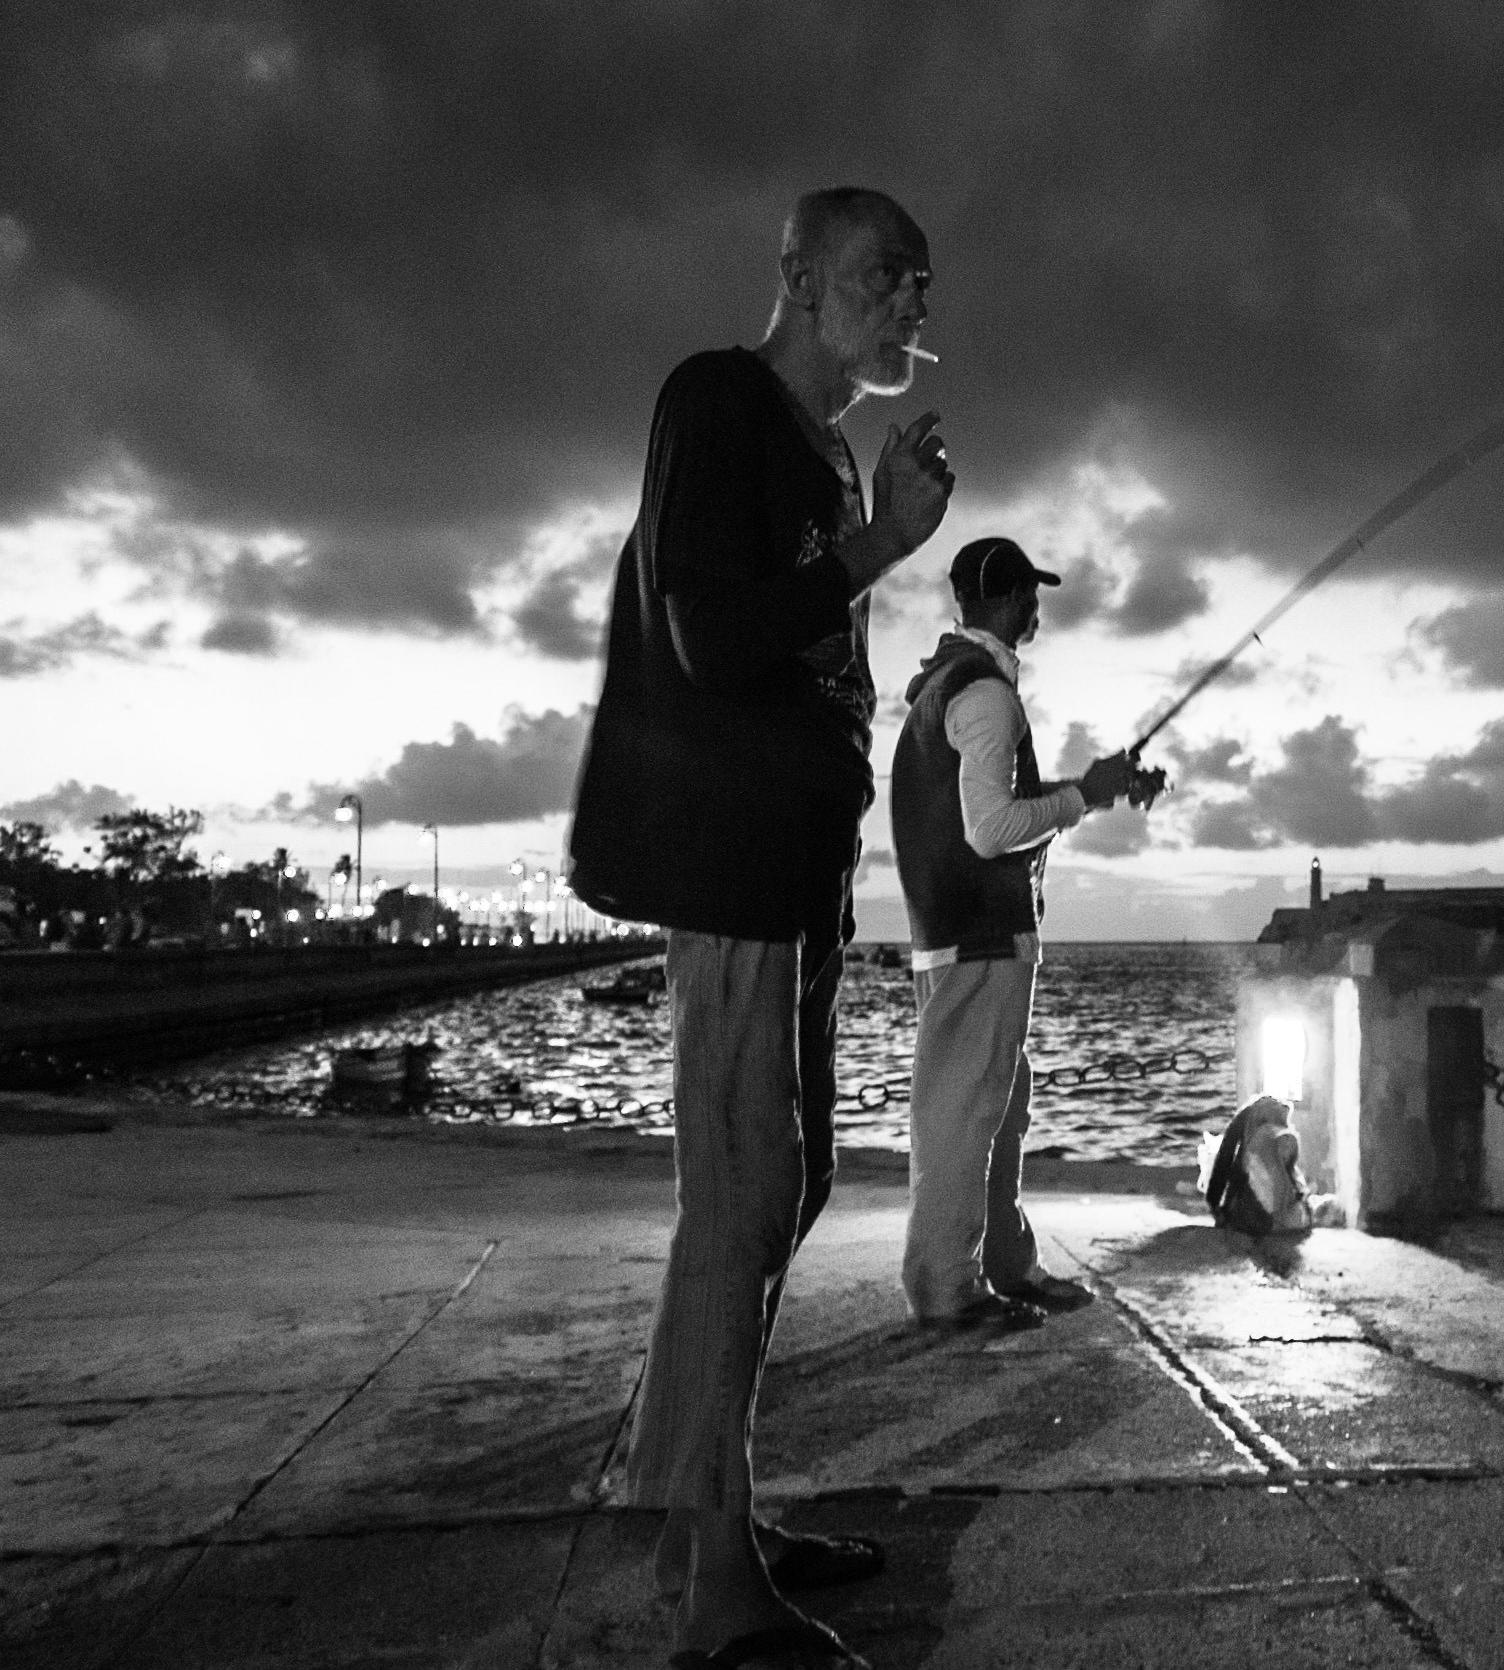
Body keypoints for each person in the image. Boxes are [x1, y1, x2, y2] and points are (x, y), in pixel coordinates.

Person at [566, 186, 948, 1670]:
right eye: (885, 273)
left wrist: (867, 528)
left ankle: (695, 1515)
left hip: (798, 869)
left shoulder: (828, 450)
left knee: (784, 1190)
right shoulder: (717, 400)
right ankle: (717, 1587)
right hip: (728, 863)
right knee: (743, 1195)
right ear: (797, 273)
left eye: (921, 284)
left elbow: (806, 658)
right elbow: (710, 633)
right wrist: (880, 546)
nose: (912, 300)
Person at [892, 538, 1140, 1327]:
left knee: (999, 1107)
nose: (1036, 608)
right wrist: (1081, 798)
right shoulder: (985, 695)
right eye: (1030, 594)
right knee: (968, 1117)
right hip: (981, 939)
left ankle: (1005, 1262)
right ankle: (946, 1288)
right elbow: (991, 829)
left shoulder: (948, 686)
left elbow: (992, 812)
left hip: (959, 937)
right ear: (1005, 600)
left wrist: (1090, 790)